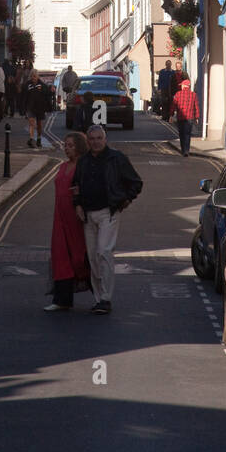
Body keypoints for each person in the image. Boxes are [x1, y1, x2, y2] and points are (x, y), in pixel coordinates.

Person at [73, 126, 142, 314]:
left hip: (108, 212)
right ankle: (98, 298)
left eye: (99, 138)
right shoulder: (83, 161)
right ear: (87, 141)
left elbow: (136, 182)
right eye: (92, 139)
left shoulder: (116, 158)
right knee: (93, 257)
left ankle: (105, 298)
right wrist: (77, 205)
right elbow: (76, 185)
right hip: (88, 214)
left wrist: (125, 200)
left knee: (104, 252)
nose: (95, 142)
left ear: (105, 139)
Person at [45, 131, 91, 312]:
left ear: (79, 146)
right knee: (60, 255)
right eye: (65, 145)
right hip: (60, 216)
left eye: (70, 145)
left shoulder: (84, 166)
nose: (66, 148)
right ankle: (62, 299)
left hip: (76, 216)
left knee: (80, 256)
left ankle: (101, 297)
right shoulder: (63, 166)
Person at [171, 76, 200, 157]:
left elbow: (173, 105)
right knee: (187, 134)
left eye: (182, 85)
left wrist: (171, 115)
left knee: (181, 134)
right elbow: (196, 106)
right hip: (190, 118)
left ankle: (183, 149)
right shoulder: (193, 95)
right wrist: (197, 117)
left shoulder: (178, 94)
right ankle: (186, 151)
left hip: (180, 117)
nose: (181, 86)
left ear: (184, 86)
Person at [24, 69, 48, 148]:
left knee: (39, 124)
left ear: (37, 76)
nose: (33, 78)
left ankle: (38, 139)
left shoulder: (42, 85)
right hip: (30, 106)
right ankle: (31, 139)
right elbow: (24, 95)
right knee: (31, 123)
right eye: (32, 76)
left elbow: (46, 94)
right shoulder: (28, 84)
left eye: (34, 76)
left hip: (40, 107)